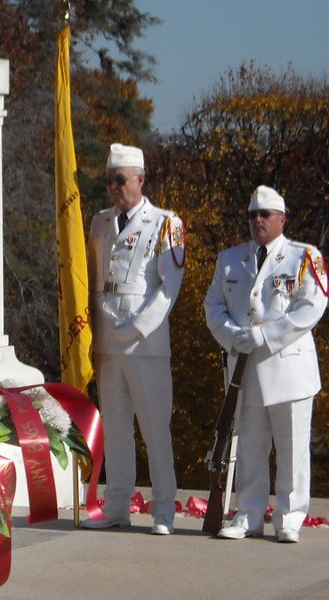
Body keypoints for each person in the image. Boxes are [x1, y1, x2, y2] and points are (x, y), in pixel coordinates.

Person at [204, 185, 327, 543]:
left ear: (282, 219)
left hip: (288, 369)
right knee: (250, 447)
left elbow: (312, 307)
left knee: (291, 448)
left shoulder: (304, 256)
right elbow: (213, 307)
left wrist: (267, 335)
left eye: (265, 214)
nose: (258, 220)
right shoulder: (230, 259)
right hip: (246, 369)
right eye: (252, 214)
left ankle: (289, 517)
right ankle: (248, 514)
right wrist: (231, 335)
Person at [82, 143, 185, 535]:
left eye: (120, 180)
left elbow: (168, 289)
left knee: (155, 428)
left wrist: (139, 327)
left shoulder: (164, 223)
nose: (113, 187)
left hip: (146, 345)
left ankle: (163, 510)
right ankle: (118, 505)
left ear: (140, 179)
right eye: (109, 180)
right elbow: (94, 284)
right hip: (108, 342)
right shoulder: (100, 223)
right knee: (116, 427)